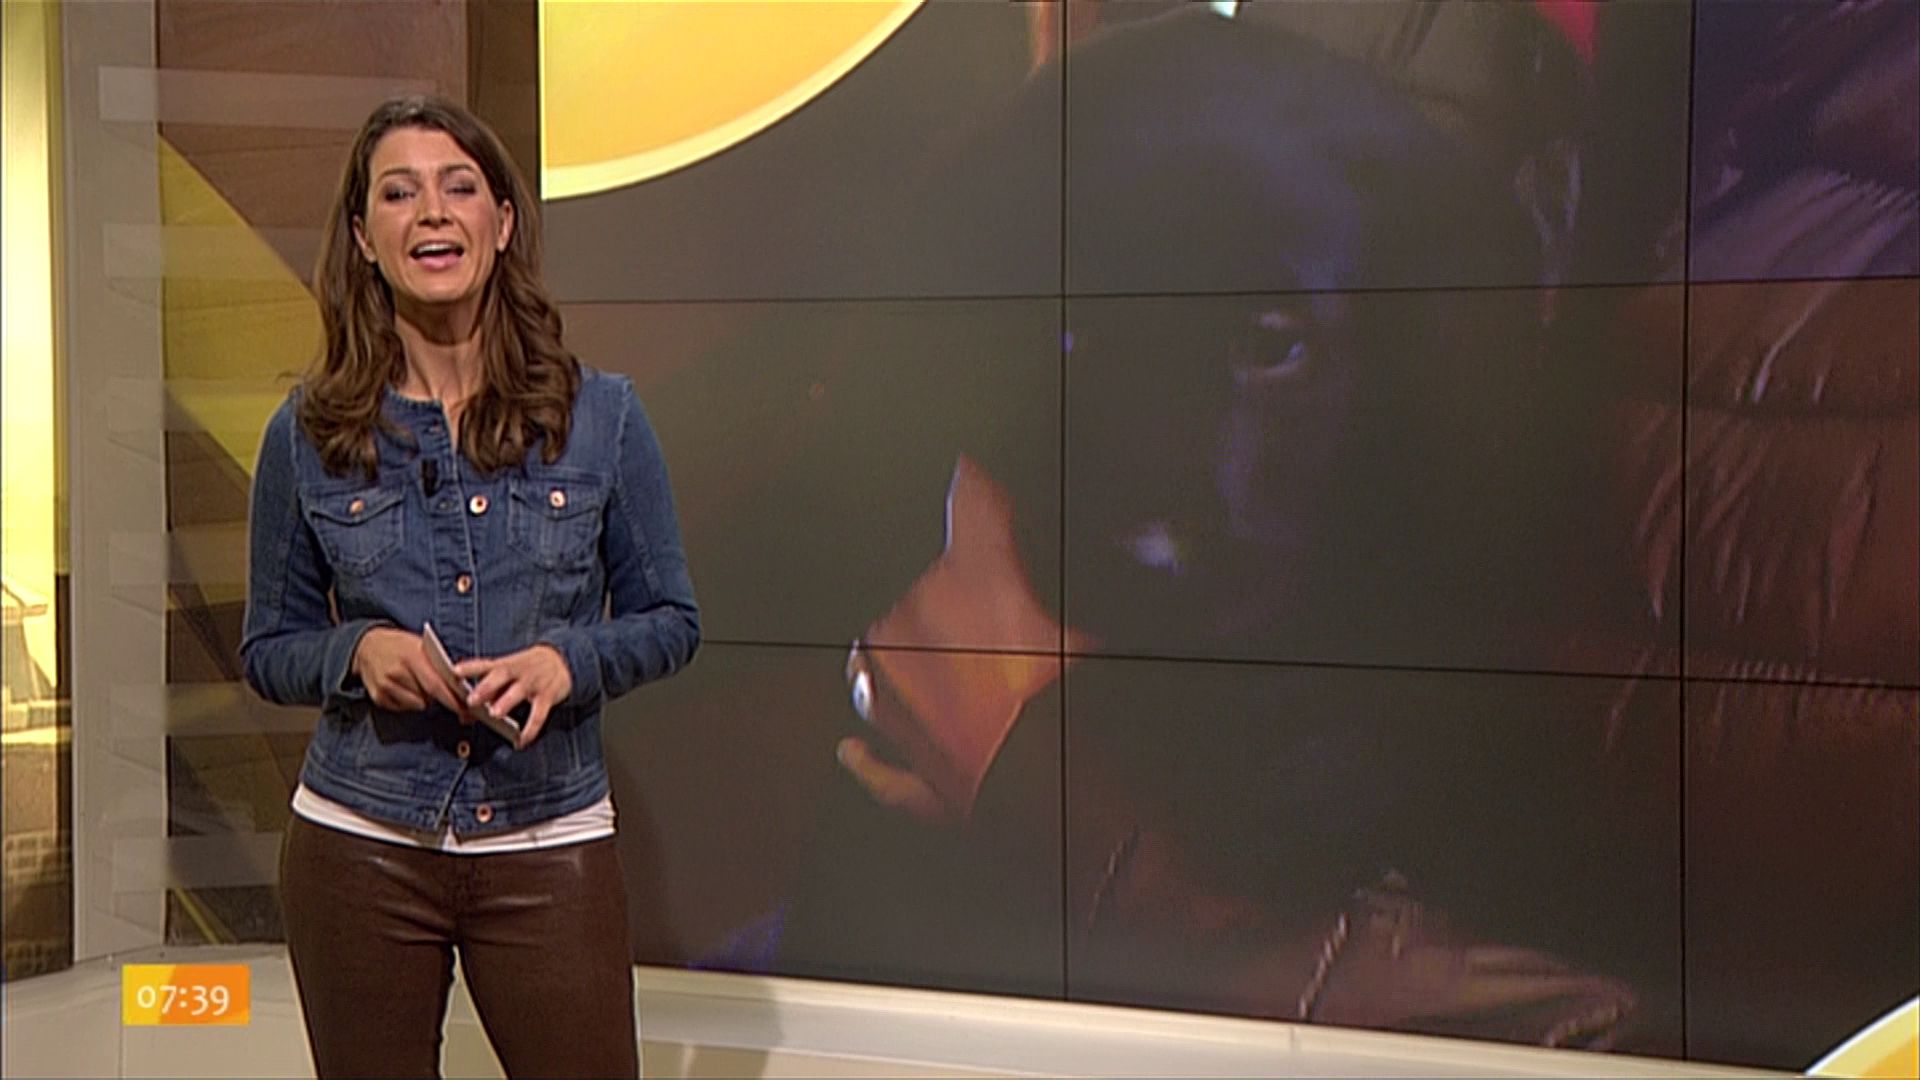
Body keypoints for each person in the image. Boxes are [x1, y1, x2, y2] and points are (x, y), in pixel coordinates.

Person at [240, 95, 700, 1079]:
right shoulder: (307, 432)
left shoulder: (602, 417)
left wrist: (567, 662)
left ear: (501, 222)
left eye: (458, 187)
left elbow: (670, 619)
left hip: (546, 838)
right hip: (358, 844)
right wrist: (357, 653)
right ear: (363, 238)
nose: (432, 213)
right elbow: (270, 647)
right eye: (398, 194)